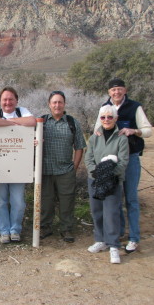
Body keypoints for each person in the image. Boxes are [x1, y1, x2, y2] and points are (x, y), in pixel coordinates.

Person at [94, 78, 152, 253]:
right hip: (112, 161)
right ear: (109, 92)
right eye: (113, 90)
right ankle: (118, 233)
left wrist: (134, 131)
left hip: (131, 157)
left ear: (125, 90)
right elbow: (97, 128)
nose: (116, 92)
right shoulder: (105, 107)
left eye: (119, 89)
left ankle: (134, 237)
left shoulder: (135, 107)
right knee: (115, 198)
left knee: (132, 198)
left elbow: (148, 130)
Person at [0, 86, 36, 244]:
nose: (8, 102)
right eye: (4, 99)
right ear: (0, 101)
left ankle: (15, 229)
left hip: (19, 166)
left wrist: (6, 122)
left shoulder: (22, 111)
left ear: (16, 100)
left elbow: (32, 121)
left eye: (11, 99)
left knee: (18, 201)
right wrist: (16, 124)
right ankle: (4, 231)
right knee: (0, 201)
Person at [40, 91, 86, 243]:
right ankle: (45, 227)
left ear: (64, 104)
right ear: (49, 104)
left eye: (60, 102)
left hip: (65, 170)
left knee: (67, 201)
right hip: (45, 170)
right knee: (46, 201)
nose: (57, 105)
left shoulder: (72, 122)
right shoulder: (42, 122)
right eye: (54, 102)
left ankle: (66, 229)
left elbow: (79, 146)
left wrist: (74, 167)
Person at [85, 105, 129, 264]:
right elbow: (88, 159)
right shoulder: (94, 138)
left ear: (116, 119)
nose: (106, 120)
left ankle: (114, 246)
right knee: (96, 210)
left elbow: (123, 162)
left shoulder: (122, 138)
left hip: (113, 181)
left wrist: (107, 174)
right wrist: (95, 172)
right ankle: (100, 240)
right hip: (95, 179)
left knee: (111, 212)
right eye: (103, 117)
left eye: (110, 117)